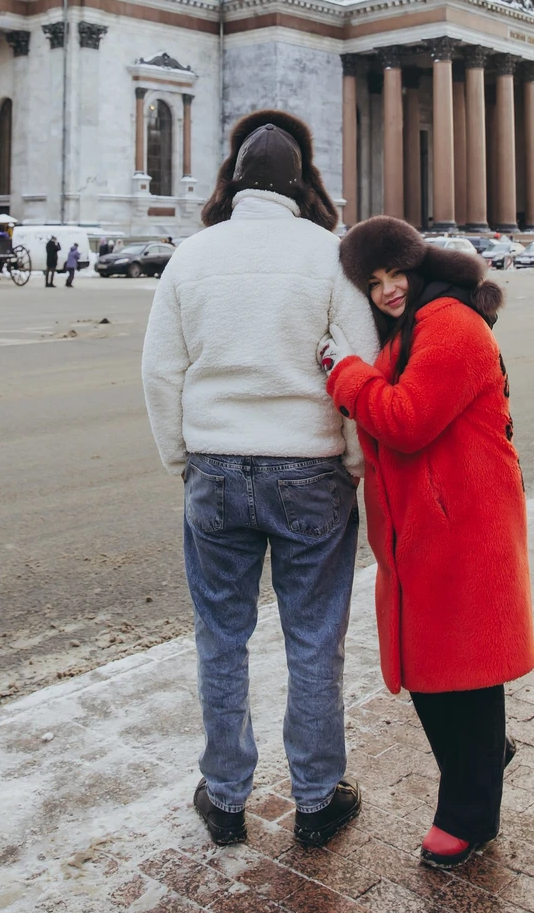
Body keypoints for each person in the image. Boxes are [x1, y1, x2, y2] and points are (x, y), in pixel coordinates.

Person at [141, 110, 378, 851]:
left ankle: (225, 797)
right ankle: (314, 799)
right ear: (301, 184)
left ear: (233, 182)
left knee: (221, 637)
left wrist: (182, 457)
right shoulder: (330, 255)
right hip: (309, 470)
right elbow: (357, 365)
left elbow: (160, 372)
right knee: (314, 639)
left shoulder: (193, 255)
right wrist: (351, 459)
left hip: (215, 466)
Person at [317, 216, 534, 872]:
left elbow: (408, 422)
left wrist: (344, 372)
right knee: (443, 668)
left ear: (420, 264)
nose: (387, 290)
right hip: (436, 528)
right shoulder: (415, 322)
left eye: (395, 274)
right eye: (374, 281)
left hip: (463, 525)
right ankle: (484, 757)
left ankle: (469, 816)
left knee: (459, 674)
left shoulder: (448, 321)